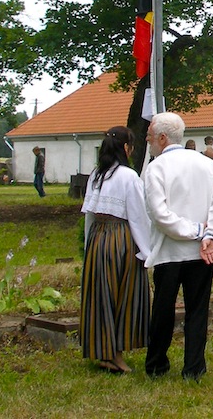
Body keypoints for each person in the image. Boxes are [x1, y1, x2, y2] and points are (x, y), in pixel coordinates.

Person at [142, 112, 213, 380]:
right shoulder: (208, 164)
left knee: (163, 309)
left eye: (149, 136)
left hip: (170, 250)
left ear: (162, 138)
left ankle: (157, 363)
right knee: (197, 309)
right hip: (202, 251)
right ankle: (194, 367)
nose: (147, 141)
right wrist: (209, 235)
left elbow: (159, 214)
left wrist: (198, 232)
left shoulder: (156, 168)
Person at [80, 126, 151, 374]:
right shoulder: (128, 176)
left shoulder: (96, 175)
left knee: (100, 295)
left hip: (97, 239)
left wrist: (88, 244)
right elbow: (138, 217)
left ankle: (103, 351)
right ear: (125, 148)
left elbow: (89, 215)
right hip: (120, 240)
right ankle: (115, 355)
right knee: (121, 296)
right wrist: (146, 250)